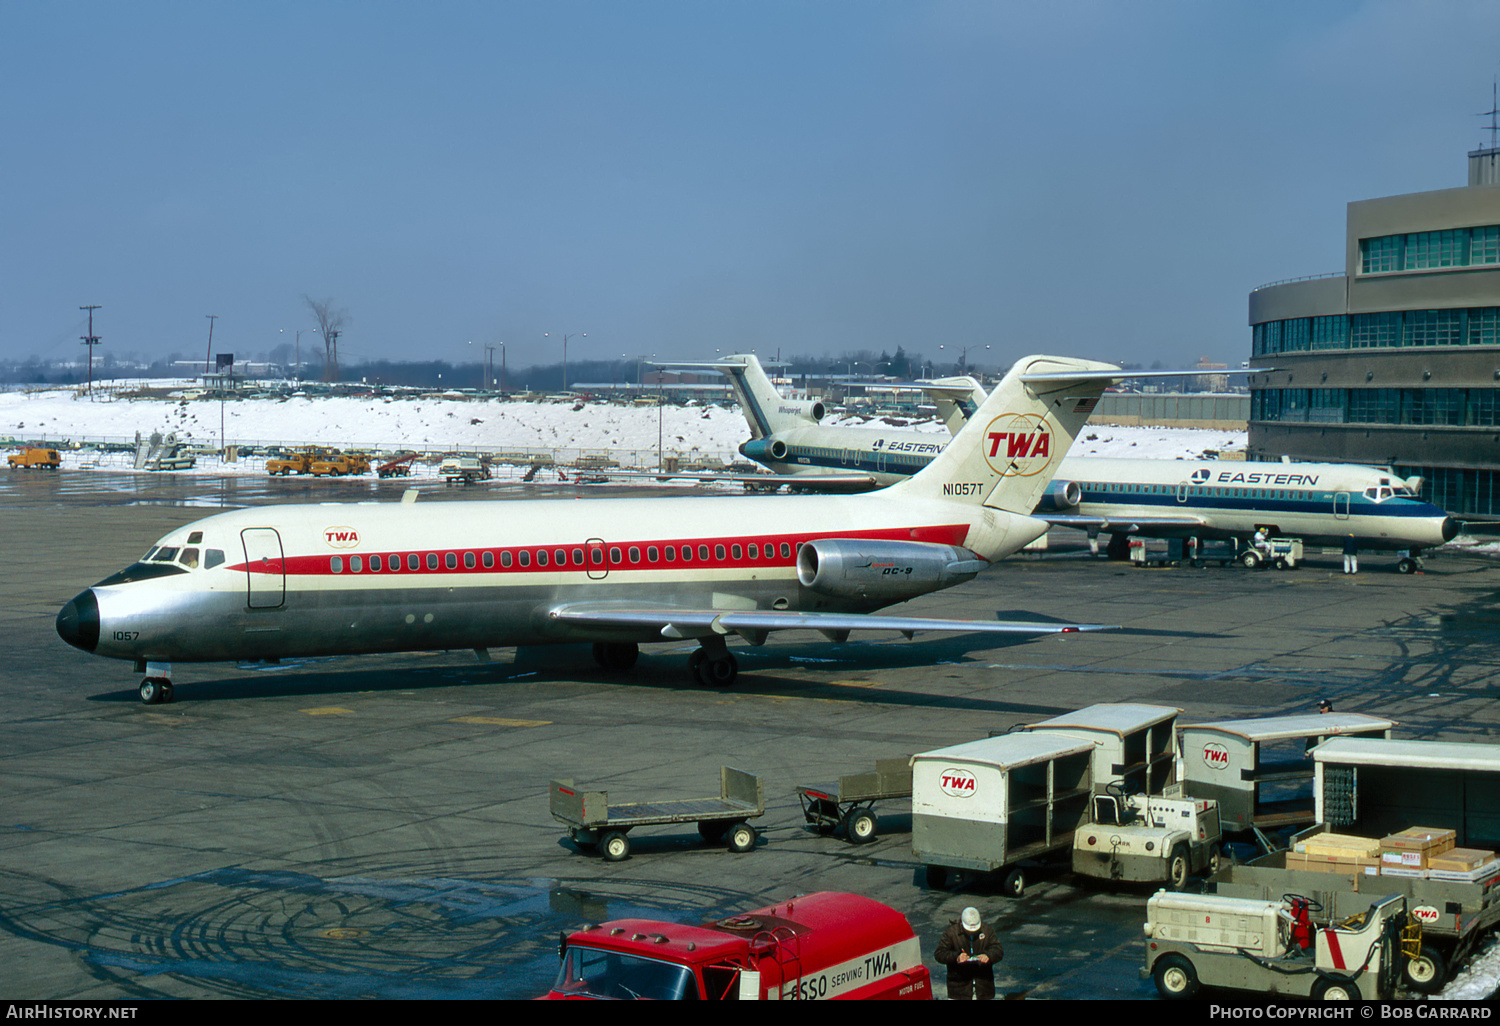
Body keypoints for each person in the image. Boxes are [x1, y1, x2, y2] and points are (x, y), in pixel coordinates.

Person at [934, 906, 1005, 1000]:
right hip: (959, 989)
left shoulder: (987, 931)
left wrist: (988, 956)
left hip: (984, 989)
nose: (972, 933)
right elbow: (939, 953)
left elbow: (998, 950)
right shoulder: (951, 933)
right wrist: (956, 957)